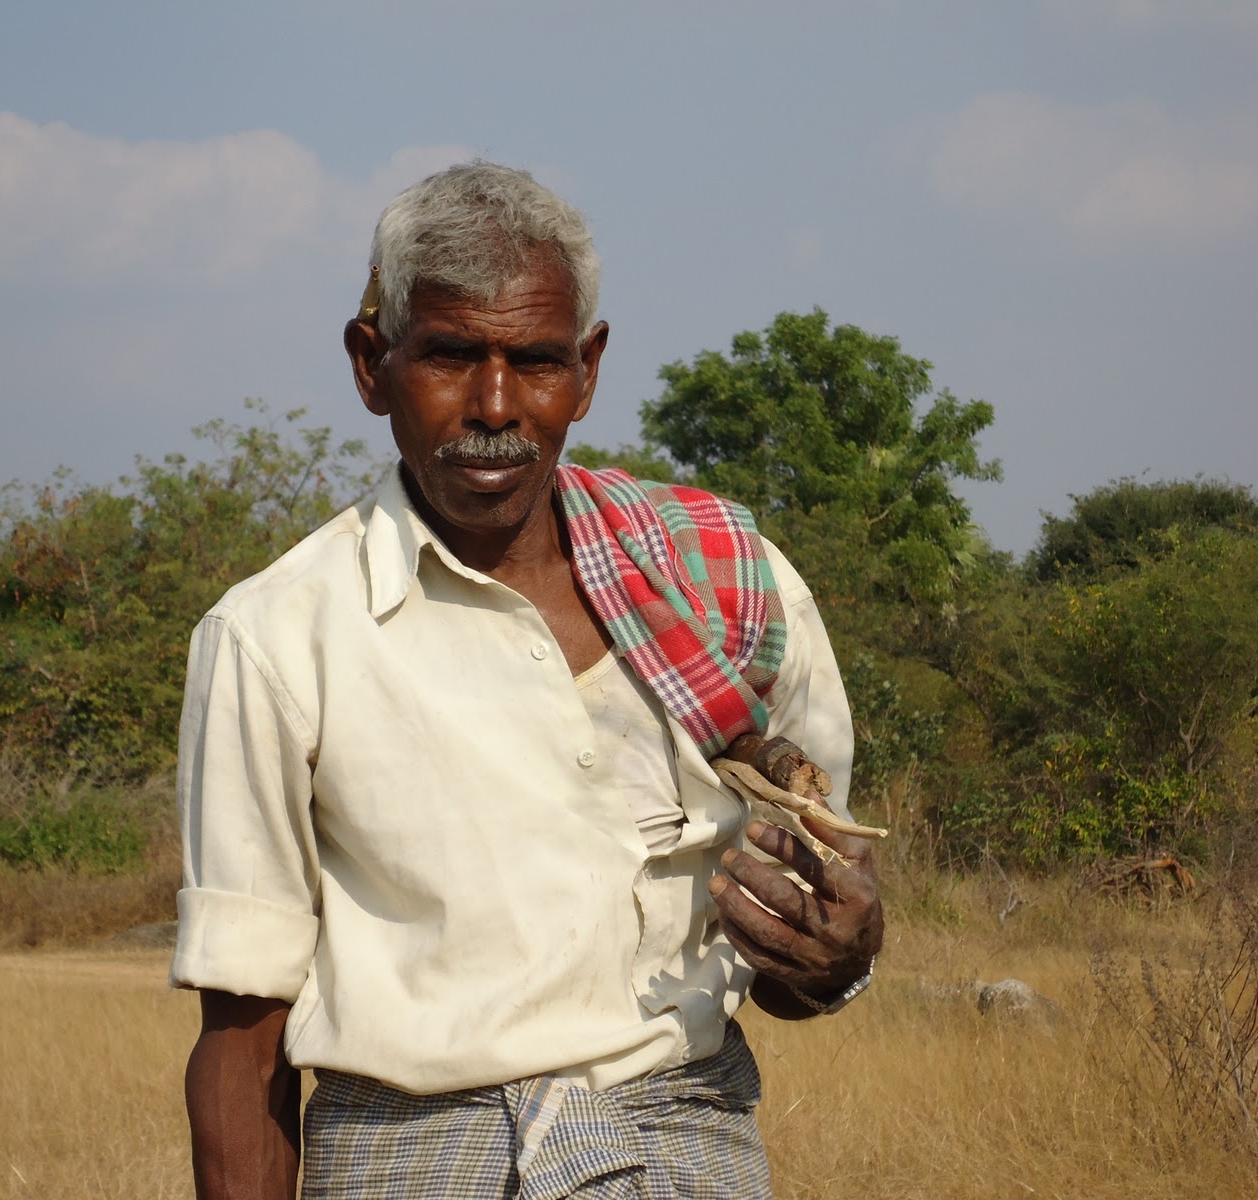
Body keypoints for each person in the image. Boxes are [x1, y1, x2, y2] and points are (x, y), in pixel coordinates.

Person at [172, 161, 883, 1200]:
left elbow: (800, 956)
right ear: (372, 365)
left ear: (586, 372)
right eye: (450, 356)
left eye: (537, 362)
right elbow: (242, 1043)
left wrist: (838, 958)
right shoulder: (277, 636)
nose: (496, 406)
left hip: (685, 1150)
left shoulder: (726, 585)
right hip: (415, 1162)